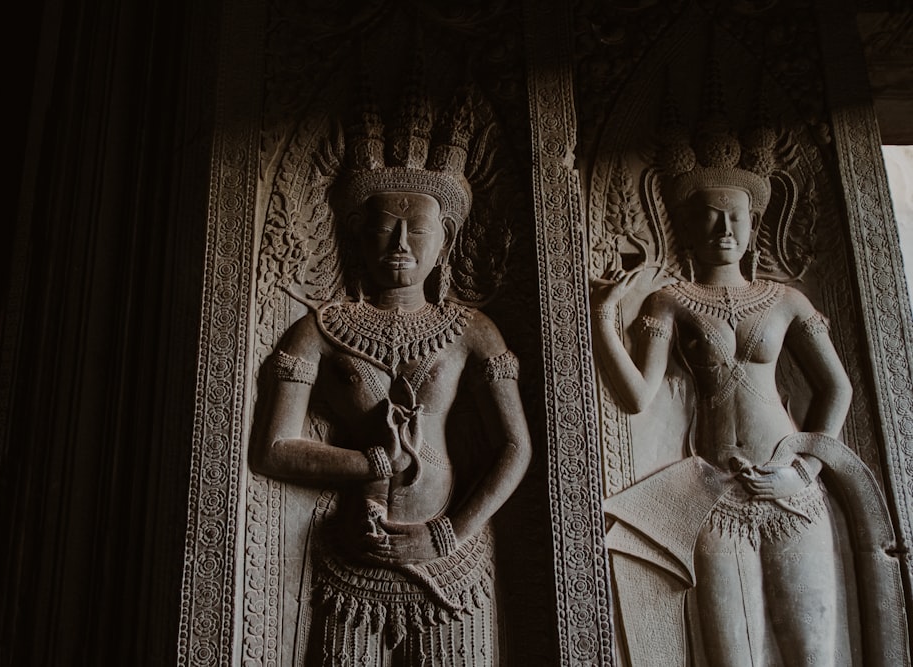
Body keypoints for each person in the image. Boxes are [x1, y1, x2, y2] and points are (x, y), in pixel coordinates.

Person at [591, 121, 906, 664]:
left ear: (755, 225)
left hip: (792, 486)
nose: (723, 228)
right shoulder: (672, 301)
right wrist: (602, 317)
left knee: (809, 650)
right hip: (716, 489)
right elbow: (637, 396)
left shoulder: (785, 301)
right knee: (730, 654)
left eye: (735, 216)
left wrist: (805, 469)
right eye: (708, 217)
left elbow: (836, 387)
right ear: (686, 228)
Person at [250, 92, 531, 667]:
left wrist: (450, 532)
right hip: (354, 560)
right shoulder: (319, 330)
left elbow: (515, 445)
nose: (401, 245)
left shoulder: (473, 331)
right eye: (384, 229)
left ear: (445, 241)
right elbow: (275, 448)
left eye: (417, 230)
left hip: (453, 561)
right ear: (358, 237)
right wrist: (370, 464)